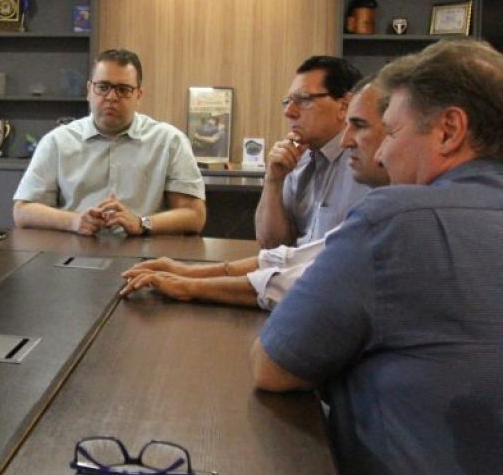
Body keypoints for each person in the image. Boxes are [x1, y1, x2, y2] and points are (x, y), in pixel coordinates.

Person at [252, 39, 503, 475]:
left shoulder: (397, 217)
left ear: (449, 130)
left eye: (391, 131)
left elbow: (273, 367)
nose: (382, 152)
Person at [121, 79, 389, 309]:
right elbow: (289, 255)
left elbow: (303, 280)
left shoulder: (397, 205)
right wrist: (190, 273)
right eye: (288, 102)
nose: (346, 140)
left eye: (360, 125)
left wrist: (192, 285)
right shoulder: (300, 159)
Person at [13, 48, 206, 237]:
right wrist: (74, 221)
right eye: (103, 87)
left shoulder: (170, 142)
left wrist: (142, 223)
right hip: (73, 252)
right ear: (89, 90)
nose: (111, 97)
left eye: (123, 89)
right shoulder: (57, 142)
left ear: (139, 95)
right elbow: (22, 211)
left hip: (146, 255)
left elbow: (194, 216)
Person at [254, 56, 367, 248]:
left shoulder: (368, 163)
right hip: (295, 274)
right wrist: (273, 181)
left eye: (303, 100)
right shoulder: (296, 158)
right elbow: (273, 246)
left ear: (344, 106)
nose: (289, 112)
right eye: (287, 101)